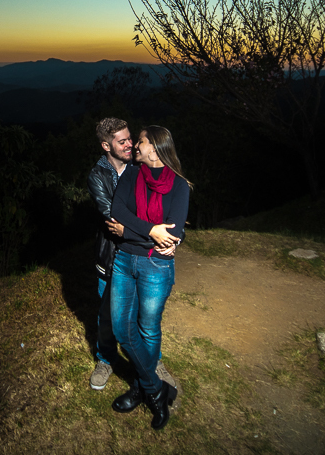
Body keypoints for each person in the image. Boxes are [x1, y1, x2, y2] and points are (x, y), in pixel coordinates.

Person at [107, 125, 189, 431]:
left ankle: (140, 388)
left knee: (148, 328)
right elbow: (117, 210)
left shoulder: (180, 185)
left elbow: (173, 234)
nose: (134, 146)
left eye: (139, 141)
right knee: (121, 327)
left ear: (154, 146)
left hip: (156, 266)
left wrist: (128, 232)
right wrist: (152, 231)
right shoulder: (131, 174)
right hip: (124, 260)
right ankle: (154, 387)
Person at [86, 117, 132, 391]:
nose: (129, 145)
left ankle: (152, 361)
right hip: (111, 256)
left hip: (139, 254)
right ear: (106, 145)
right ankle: (106, 359)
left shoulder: (140, 167)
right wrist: (149, 226)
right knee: (107, 315)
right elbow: (111, 216)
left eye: (130, 139)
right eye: (122, 141)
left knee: (141, 314)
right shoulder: (97, 176)